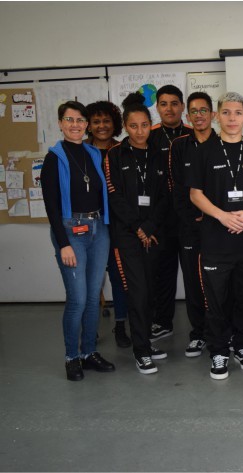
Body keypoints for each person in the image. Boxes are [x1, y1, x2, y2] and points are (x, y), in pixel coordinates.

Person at [186, 92, 243, 380]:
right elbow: (195, 194)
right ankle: (219, 351)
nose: (232, 118)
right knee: (217, 300)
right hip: (216, 238)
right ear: (216, 116)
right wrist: (222, 215)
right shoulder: (203, 151)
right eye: (226, 112)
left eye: (237, 113)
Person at [40, 100, 114, 381]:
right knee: (78, 299)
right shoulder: (53, 159)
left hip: (98, 229)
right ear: (60, 123)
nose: (75, 125)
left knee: (94, 297)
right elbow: (52, 206)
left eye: (80, 120)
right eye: (69, 120)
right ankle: (72, 356)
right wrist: (63, 244)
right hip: (70, 232)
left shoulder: (94, 154)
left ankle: (89, 353)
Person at [105, 92, 169, 374]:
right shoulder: (115, 155)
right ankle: (141, 351)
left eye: (144, 125)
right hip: (128, 235)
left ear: (150, 125)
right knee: (138, 293)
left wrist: (151, 226)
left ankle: (147, 341)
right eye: (134, 126)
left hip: (153, 232)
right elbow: (114, 195)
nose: (140, 131)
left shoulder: (159, 154)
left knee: (152, 291)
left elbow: (166, 195)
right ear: (125, 127)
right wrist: (138, 227)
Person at [169, 91, 217, 357]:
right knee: (193, 280)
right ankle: (198, 333)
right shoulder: (180, 146)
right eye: (194, 111)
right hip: (190, 226)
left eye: (203, 110)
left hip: (219, 225)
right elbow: (177, 187)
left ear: (212, 115)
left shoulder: (223, 143)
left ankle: (221, 330)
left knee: (219, 281)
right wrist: (192, 218)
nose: (199, 115)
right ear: (187, 116)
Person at [148, 84, 192, 343]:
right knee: (162, 274)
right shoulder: (149, 136)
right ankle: (163, 322)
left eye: (174, 103)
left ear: (182, 106)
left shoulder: (192, 134)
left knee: (194, 274)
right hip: (161, 219)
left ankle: (201, 325)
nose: (169, 108)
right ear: (157, 108)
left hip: (190, 216)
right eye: (164, 104)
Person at [85, 100, 130, 348]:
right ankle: (89, 330)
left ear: (114, 124)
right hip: (90, 225)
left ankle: (121, 325)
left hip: (118, 224)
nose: (102, 126)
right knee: (90, 280)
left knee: (119, 276)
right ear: (89, 125)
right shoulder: (79, 152)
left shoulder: (122, 149)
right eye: (96, 121)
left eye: (106, 121)